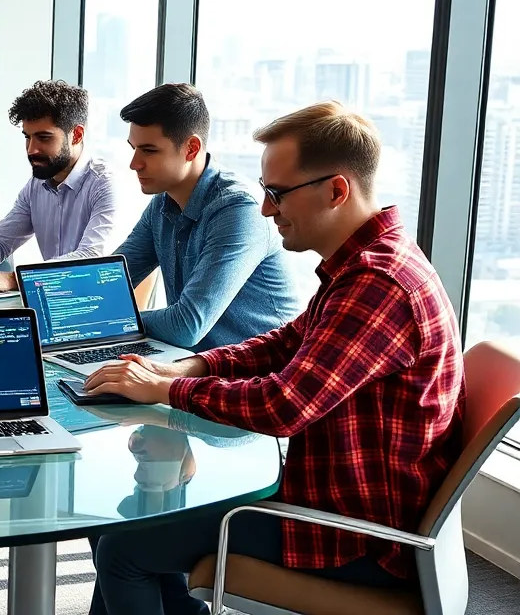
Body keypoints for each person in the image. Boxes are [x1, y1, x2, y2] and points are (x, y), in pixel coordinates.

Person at [83, 101, 464, 615]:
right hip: (329, 493)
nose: (266, 209)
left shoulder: (378, 284)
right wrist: (188, 368)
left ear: (336, 190)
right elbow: (285, 342)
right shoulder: (365, 265)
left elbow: (285, 407)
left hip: (356, 533)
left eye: (278, 194)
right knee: (142, 522)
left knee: (124, 550)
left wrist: (166, 389)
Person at [113, 83, 301, 351]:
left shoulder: (237, 209)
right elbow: (110, 281)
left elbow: (187, 325)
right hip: (196, 366)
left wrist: (108, 322)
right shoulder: (162, 205)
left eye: (149, 150)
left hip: (259, 377)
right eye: (134, 148)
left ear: (191, 148)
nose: (134, 163)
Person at [0, 80, 123, 292]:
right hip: (54, 297)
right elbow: (0, 241)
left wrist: (14, 280)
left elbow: (91, 258)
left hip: (94, 301)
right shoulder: (36, 185)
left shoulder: (105, 184)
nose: (31, 149)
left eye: (44, 138)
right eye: (27, 137)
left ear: (76, 135)